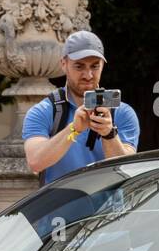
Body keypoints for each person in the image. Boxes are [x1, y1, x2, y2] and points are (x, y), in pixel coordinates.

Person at [22, 30, 139, 185]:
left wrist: (109, 134)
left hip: (109, 209)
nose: (88, 75)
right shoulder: (43, 111)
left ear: (103, 66)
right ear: (64, 64)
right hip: (59, 208)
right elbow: (35, 162)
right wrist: (73, 129)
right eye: (79, 66)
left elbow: (126, 170)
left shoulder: (123, 113)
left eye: (95, 66)